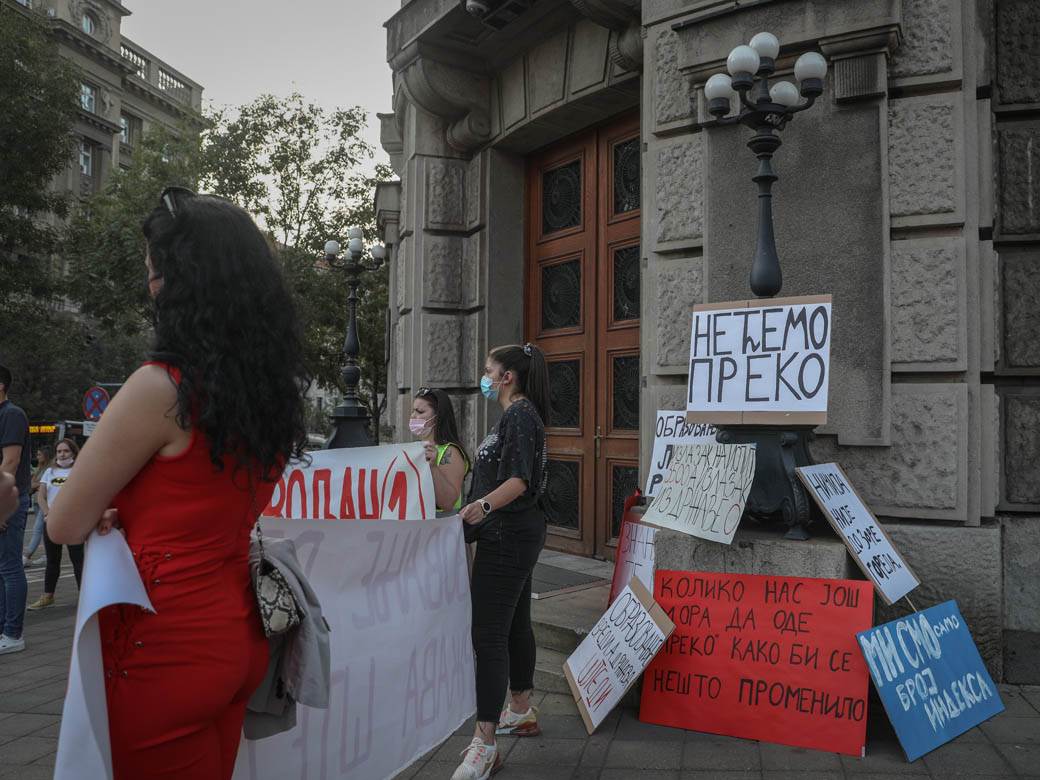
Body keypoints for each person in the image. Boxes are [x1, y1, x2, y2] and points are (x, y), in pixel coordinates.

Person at [47, 186, 311, 780]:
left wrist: (109, 507)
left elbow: (63, 521)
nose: (150, 287)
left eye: (153, 272)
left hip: (159, 650)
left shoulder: (159, 387)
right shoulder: (265, 394)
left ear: (182, 282)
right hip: (236, 637)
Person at [452, 343, 551, 780]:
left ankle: (484, 743)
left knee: (487, 633)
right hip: (515, 534)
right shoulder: (517, 415)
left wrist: (482, 507)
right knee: (514, 623)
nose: (485, 376)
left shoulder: (520, 415)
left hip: (507, 536)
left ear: (507, 376)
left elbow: (518, 480)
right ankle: (521, 709)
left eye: (488, 369)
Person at [28, 439, 83, 610]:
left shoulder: (80, 470)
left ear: (73, 452)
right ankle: (48, 596)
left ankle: (85, 597)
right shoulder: (49, 472)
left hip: (74, 522)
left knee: (78, 561)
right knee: (53, 561)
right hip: (52, 521)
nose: (62, 454)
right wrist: (47, 514)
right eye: (59, 451)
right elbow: (41, 496)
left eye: (66, 451)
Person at [0, 362, 32, 655]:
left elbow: (10, 462)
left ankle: (13, 634)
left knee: (10, 567)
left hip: (9, 499)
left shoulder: (11, 414)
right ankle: (4, 630)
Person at [410, 387, 470, 512]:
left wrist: (433, 467)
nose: (413, 416)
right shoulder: (416, 448)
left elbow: (447, 503)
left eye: (420, 412)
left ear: (437, 417)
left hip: (441, 523)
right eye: (413, 411)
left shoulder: (450, 452)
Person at [23, 444, 53, 567]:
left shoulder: (50, 468)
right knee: (43, 530)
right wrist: (38, 485)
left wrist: (37, 485)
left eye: (40, 454)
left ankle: (26, 556)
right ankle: (47, 555)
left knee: (37, 529)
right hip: (36, 501)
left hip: (44, 502)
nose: (37, 456)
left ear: (46, 455)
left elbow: (44, 485)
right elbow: (31, 484)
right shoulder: (40, 468)